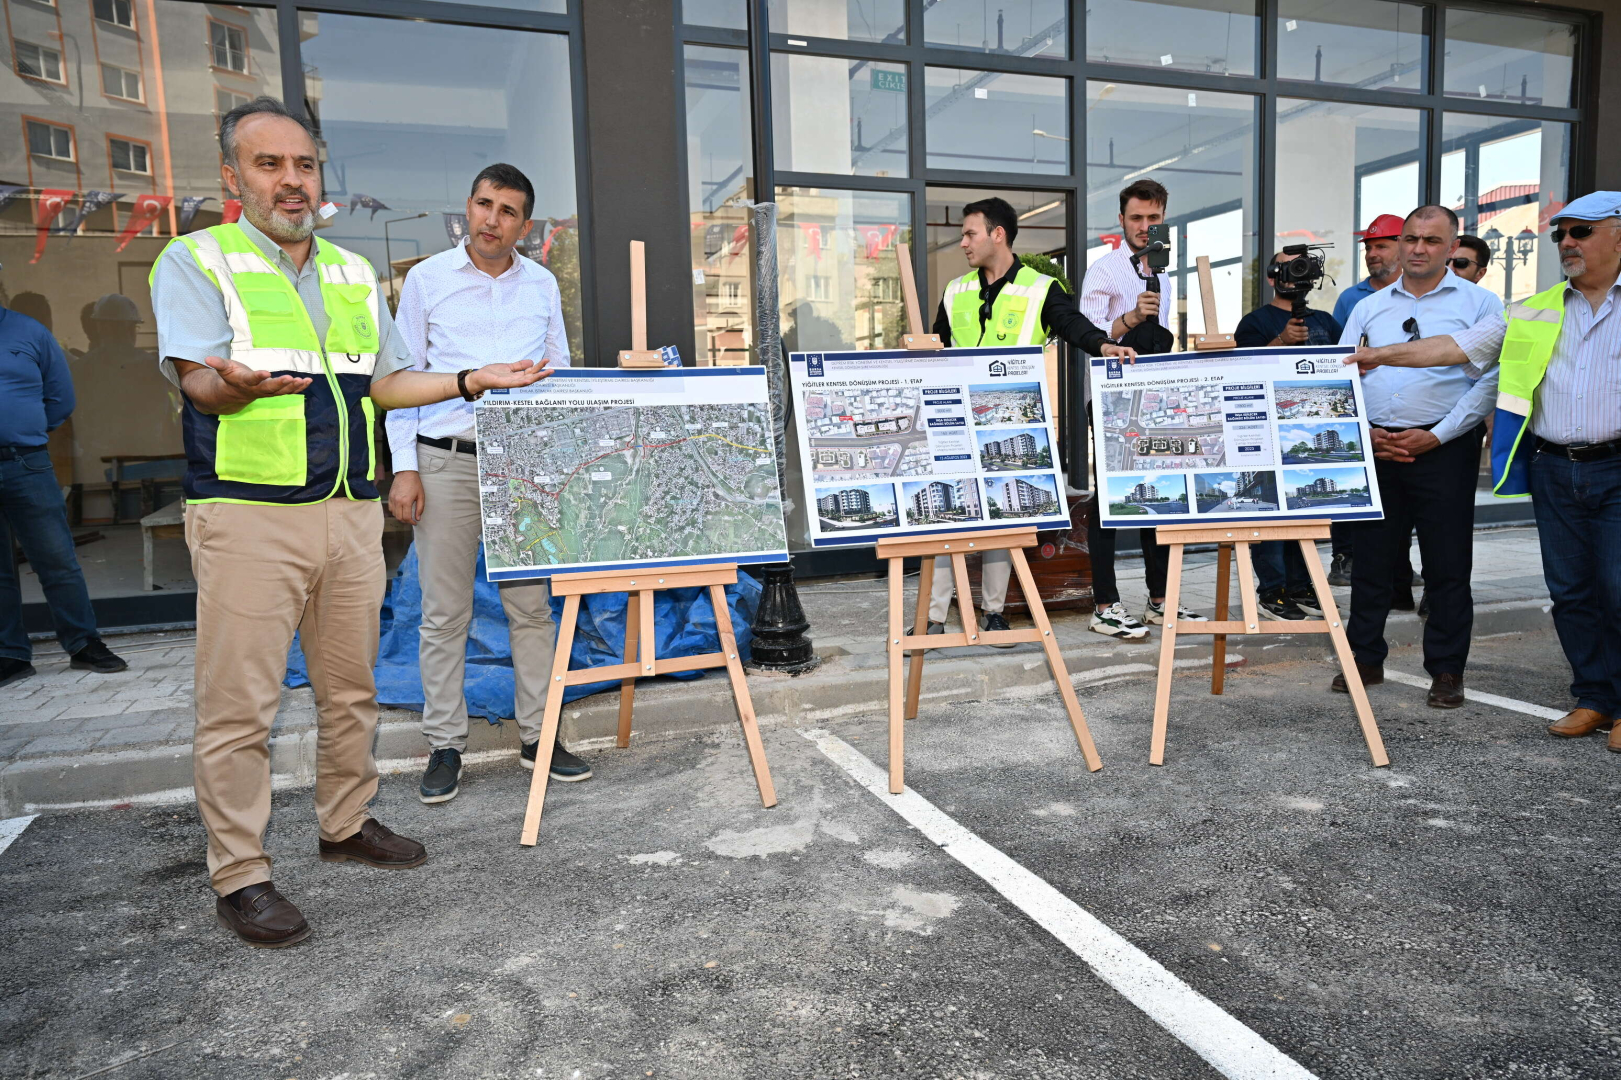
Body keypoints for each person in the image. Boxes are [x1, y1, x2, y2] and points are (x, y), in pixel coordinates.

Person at [151, 96, 552, 949]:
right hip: (248, 514)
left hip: (347, 511)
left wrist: (471, 379)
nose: (290, 181)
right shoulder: (197, 259)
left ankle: (344, 823)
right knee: (240, 708)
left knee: (350, 689)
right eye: (269, 164)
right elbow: (198, 384)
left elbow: (388, 383)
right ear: (233, 176)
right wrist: (233, 386)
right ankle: (241, 875)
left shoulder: (349, 272)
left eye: (303, 165)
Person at [1346, 190, 1621, 753]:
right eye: (1561, 233)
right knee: (1570, 591)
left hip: (1608, 466)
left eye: (1581, 231)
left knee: (1616, 589)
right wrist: (1377, 359)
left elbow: (1482, 379)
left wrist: (1432, 423)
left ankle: (1614, 704)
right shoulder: (1536, 309)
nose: (1567, 242)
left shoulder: (1485, 301)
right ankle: (1594, 697)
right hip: (1553, 467)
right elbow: (1455, 349)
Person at [387, 164, 591, 803]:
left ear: (524, 226)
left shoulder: (542, 284)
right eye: (483, 204)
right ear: (467, 208)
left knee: (531, 609)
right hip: (444, 461)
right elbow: (399, 381)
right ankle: (446, 744)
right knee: (443, 613)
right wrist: (404, 467)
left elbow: (556, 372)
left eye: (507, 211)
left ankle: (539, 736)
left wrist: (559, 467)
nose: (491, 220)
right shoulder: (427, 280)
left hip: (521, 466)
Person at [920, 196, 1137, 643]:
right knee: (947, 516)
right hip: (956, 424)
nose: (963, 243)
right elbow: (936, 345)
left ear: (997, 234)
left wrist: (1103, 346)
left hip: (1012, 425)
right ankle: (934, 617)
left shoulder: (1040, 288)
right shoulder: (956, 291)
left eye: (970, 233)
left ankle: (994, 612)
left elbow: (1073, 324)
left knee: (1005, 518)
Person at [1334, 205, 1501, 709]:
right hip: (1379, 446)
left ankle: (1446, 669)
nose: (1419, 248)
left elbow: (1490, 381)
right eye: (1411, 239)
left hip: (1444, 448)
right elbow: (1340, 374)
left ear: (1452, 248)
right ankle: (1364, 657)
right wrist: (1366, 432)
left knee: (1447, 564)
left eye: (1431, 240)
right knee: (1371, 562)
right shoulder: (1369, 307)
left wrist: (1440, 435)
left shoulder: (1481, 304)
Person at [1078, 179, 1204, 637]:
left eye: (1153, 218)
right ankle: (1104, 604)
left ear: (1163, 219)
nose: (1144, 226)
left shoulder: (1163, 274)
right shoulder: (1104, 271)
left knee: (1158, 495)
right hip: (1111, 400)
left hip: (1153, 400)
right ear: (1121, 220)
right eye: (1136, 218)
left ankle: (1159, 600)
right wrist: (1130, 317)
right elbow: (1088, 333)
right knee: (1111, 499)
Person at [0, 303, 128, 688]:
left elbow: (60, 399)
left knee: (56, 558)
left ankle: (83, 644)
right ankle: (10, 654)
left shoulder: (30, 332)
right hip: (24, 457)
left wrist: (26, 429)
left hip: (25, 462)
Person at [1234, 252, 1342, 618]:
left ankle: (1300, 585)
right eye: (1288, 267)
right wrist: (1280, 340)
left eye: (1303, 266)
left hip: (1308, 433)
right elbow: (1242, 372)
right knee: (1270, 515)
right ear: (1272, 276)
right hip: (1265, 433)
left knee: (1303, 510)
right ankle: (1272, 590)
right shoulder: (1255, 322)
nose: (1297, 273)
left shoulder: (1325, 322)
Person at [1329, 213, 1407, 588]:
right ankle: (1345, 557)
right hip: (1365, 416)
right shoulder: (1352, 299)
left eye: (1381, 246)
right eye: (1369, 248)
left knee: (1401, 502)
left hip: (1411, 418)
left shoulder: (1422, 296)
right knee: (1352, 486)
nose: (1373, 254)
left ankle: (1400, 568)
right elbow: (1341, 355)